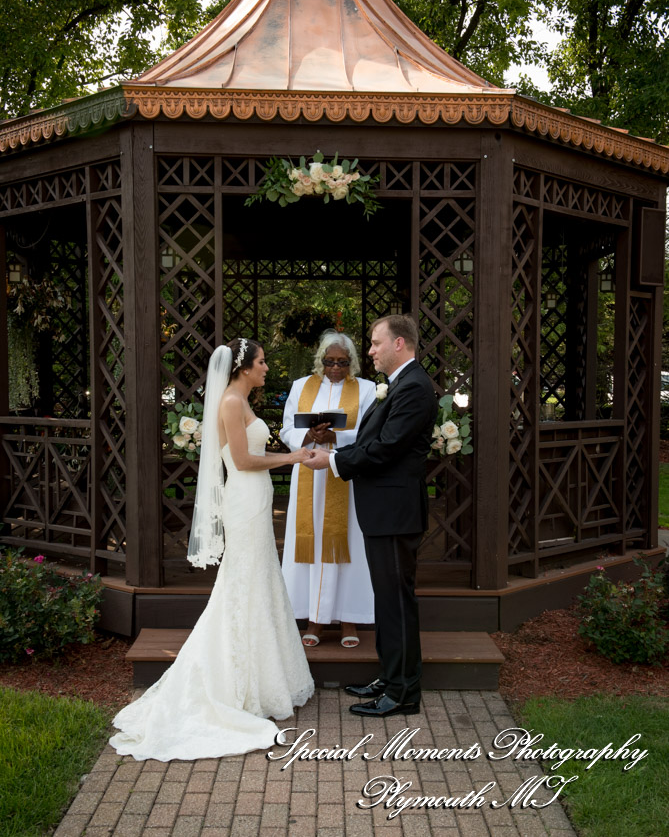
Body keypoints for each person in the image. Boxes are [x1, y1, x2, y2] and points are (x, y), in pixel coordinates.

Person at [110, 339, 315, 761]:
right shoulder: (230, 403)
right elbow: (241, 461)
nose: (265, 368)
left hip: (255, 499)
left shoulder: (241, 398)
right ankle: (233, 679)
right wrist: (293, 457)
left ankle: (262, 676)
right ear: (243, 367)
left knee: (259, 581)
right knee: (242, 583)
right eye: (261, 362)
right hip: (244, 498)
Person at [304, 315, 438, 718]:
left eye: (377, 343)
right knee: (387, 599)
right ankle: (391, 676)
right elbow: (373, 440)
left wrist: (332, 460)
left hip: (396, 513)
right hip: (384, 512)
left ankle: (403, 694)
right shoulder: (398, 386)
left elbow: (386, 448)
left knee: (397, 602)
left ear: (400, 344)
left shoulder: (414, 388)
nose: (372, 350)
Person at [280, 330, 376, 648]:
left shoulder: (366, 389)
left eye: (342, 362)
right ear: (320, 360)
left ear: (353, 363)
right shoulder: (301, 386)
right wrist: (310, 435)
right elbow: (286, 428)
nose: (335, 368)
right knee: (312, 544)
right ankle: (313, 620)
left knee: (346, 544)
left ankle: (348, 618)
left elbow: (369, 432)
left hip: (344, 474)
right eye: (329, 361)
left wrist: (336, 437)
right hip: (309, 474)